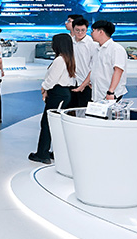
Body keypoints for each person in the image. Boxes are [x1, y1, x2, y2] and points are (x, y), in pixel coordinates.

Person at [29, 33, 76, 165]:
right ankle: (52, 152)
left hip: (57, 94)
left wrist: (44, 87)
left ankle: (42, 154)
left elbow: (52, 79)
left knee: (46, 123)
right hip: (62, 94)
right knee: (53, 123)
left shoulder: (60, 60)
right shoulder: (68, 58)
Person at [78, 20, 127, 102]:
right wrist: (83, 85)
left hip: (109, 93)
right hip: (98, 92)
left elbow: (118, 71)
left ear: (101, 32)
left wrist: (111, 91)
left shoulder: (116, 49)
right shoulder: (97, 49)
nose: (91, 34)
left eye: (93, 31)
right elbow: (93, 69)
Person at [70, 18, 97, 107]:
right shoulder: (69, 42)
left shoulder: (92, 44)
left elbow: (94, 66)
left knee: (84, 108)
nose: (80, 33)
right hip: (71, 82)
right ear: (73, 29)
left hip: (86, 83)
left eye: (83, 30)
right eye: (77, 30)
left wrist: (84, 84)